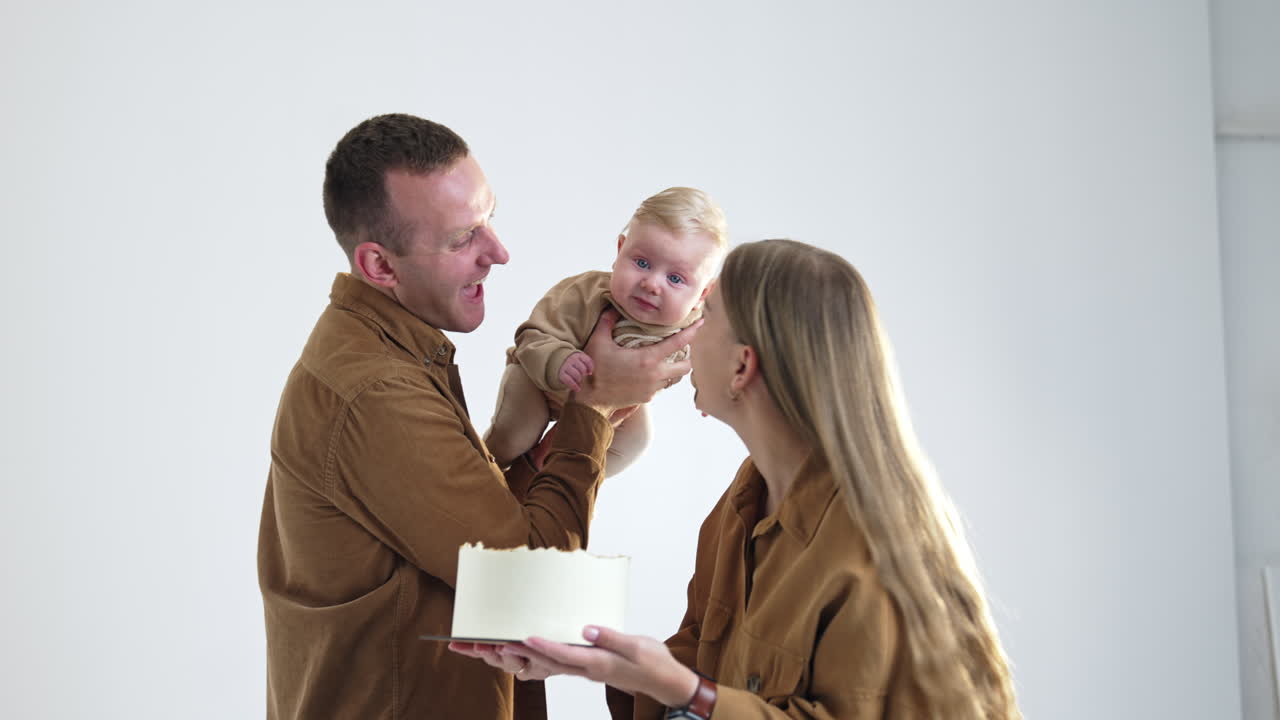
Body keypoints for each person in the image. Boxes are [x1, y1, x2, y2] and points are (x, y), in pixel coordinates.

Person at [456, 239, 1022, 719]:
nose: (682, 332)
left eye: (703, 318)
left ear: (742, 366)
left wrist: (686, 692)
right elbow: (703, 664)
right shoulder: (742, 503)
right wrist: (595, 663)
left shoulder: (871, 547)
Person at [257, 113, 700, 720]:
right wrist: (594, 406)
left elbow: (467, 541)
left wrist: (546, 455)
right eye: (463, 238)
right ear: (380, 267)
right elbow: (531, 589)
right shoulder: (376, 393)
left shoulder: (397, 353)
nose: (499, 252)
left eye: (491, 218)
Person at [484, 187, 728, 476]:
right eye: (641, 263)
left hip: (616, 405)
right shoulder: (585, 293)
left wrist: (713, 390)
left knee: (635, 440)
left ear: (703, 293)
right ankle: (481, 471)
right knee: (514, 436)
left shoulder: (694, 327)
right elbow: (531, 337)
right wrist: (559, 359)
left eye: (675, 278)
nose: (651, 284)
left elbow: (711, 362)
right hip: (537, 383)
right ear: (619, 250)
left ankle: (559, 480)